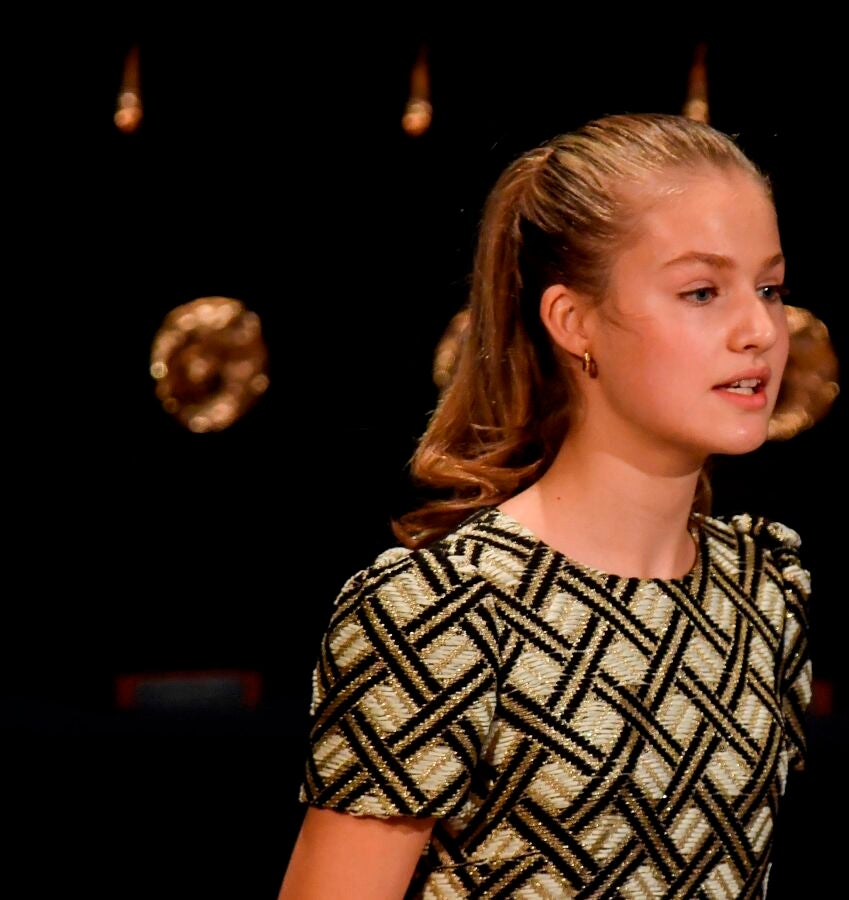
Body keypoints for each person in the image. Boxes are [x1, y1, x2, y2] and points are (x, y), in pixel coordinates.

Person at [278, 112, 813, 899]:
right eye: (702, 291)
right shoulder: (444, 613)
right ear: (572, 321)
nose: (759, 329)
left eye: (769, 288)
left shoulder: (762, 588)